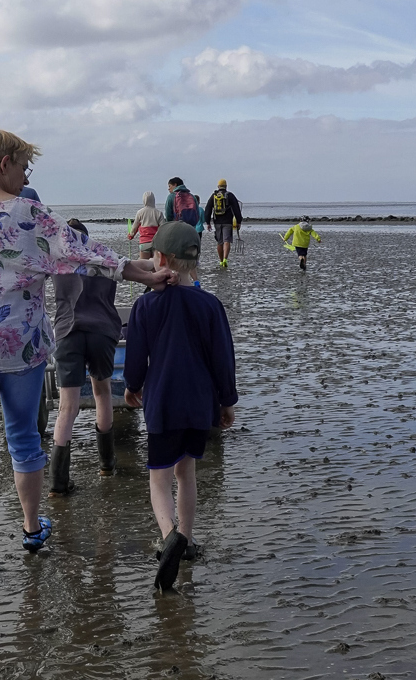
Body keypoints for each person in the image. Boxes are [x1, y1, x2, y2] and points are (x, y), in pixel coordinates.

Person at [0, 129, 174, 588]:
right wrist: (143, 274)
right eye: (25, 168)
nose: (25, 177)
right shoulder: (29, 215)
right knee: (22, 441)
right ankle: (32, 530)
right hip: (20, 349)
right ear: (5, 162)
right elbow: (85, 253)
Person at [123, 221, 237, 591]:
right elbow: (224, 359)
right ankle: (186, 539)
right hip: (199, 403)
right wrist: (226, 402)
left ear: (160, 257)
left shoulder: (145, 305)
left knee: (159, 477)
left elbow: (136, 356)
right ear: (195, 261)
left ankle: (169, 534)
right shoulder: (210, 304)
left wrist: (131, 387)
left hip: (163, 402)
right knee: (186, 473)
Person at [48, 218, 128, 496]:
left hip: (68, 330)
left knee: (67, 407)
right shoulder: (103, 257)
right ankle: (106, 464)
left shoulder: (59, 260)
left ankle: (58, 482)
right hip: (102, 330)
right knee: (102, 393)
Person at [163, 177, 203, 287]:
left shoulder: (171, 197)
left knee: (175, 258)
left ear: (175, 185)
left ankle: (176, 281)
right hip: (191, 231)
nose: (169, 189)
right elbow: (197, 215)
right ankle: (196, 282)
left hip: (177, 230)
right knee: (190, 258)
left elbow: (168, 216)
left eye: (170, 186)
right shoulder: (191, 196)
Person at [204, 179, 243, 268]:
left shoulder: (213, 196)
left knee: (219, 242)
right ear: (226, 186)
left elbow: (208, 209)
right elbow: (236, 209)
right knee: (227, 240)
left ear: (218, 186)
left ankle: (221, 261)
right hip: (228, 221)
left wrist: (207, 222)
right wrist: (239, 221)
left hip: (217, 221)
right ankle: (225, 259)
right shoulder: (230, 195)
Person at [128, 191, 166, 259]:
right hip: (156, 243)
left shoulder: (140, 212)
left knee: (144, 264)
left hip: (144, 243)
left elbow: (134, 227)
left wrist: (131, 235)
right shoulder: (158, 213)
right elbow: (163, 228)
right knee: (156, 265)